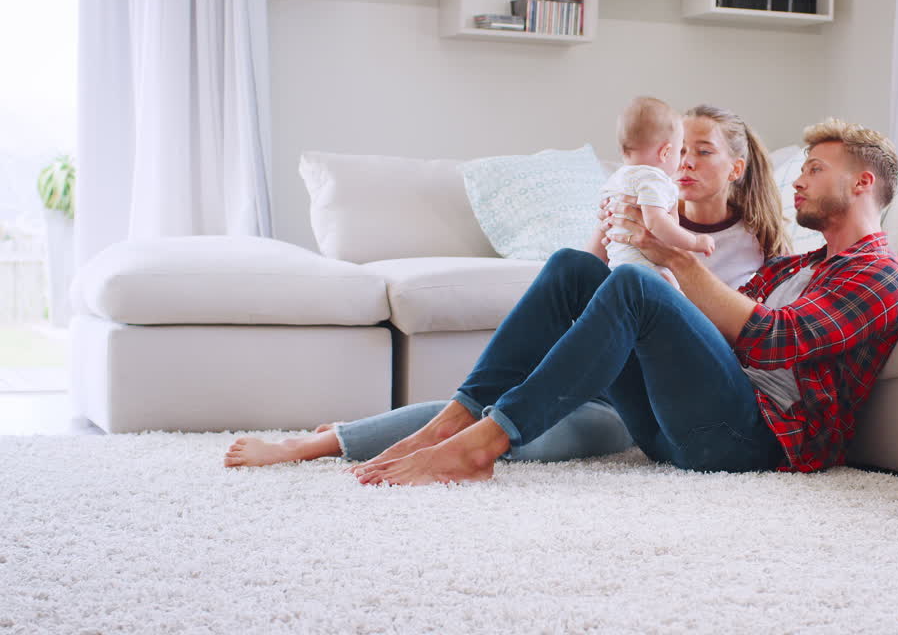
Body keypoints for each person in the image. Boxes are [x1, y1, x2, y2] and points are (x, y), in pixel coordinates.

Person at [331, 117, 898, 484]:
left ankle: (485, 442)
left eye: (814, 169)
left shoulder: (881, 275)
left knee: (636, 285)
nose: (797, 180)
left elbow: (775, 337)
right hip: (678, 428)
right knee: (575, 269)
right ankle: (455, 423)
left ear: (863, 183)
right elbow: (709, 325)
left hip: (752, 441)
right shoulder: (802, 266)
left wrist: (672, 259)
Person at [223, 103, 790, 470]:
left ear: (736, 169)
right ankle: (326, 443)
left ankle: (458, 438)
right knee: (566, 272)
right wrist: (605, 228)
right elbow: (587, 289)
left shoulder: (764, 243)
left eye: (703, 152)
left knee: (526, 425)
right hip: (621, 387)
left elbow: (753, 345)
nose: (685, 163)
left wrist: (673, 263)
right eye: (681, 150)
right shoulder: (649, 208)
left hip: (685, 402)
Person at [601, 97, 715, 286]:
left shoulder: (616, 179)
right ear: (665, 152)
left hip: (616, 268)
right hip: (645, 270)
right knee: (675, 293)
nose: (684, 161)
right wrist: (693, 243)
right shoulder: (654, 179)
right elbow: (655, 222)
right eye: (681, 151)